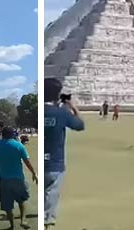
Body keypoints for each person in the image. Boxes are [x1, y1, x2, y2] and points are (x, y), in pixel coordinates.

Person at [44, 78, 85, 230]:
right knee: (50, 200)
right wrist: (72, 106)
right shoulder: (61, 113)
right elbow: (80, 125)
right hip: (55, 164)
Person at [0, 126, 38, 230]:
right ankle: (23, 220)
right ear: (13, 134)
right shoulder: (19, 145)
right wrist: (34, 173)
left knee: (8, 205)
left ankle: (12, 226)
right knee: (22, 200)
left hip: (4, 180)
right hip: (18, 179)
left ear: (2, 135)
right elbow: (27, 161)